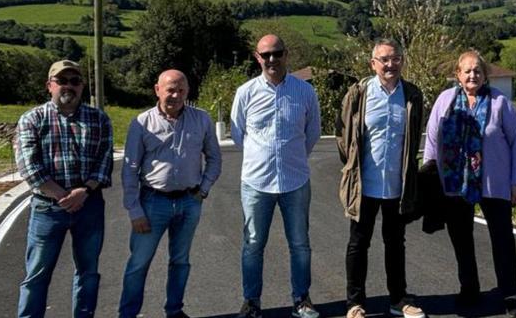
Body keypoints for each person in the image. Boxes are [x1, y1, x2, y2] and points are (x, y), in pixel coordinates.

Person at [424, 50, 516, 318]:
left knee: (502, 239)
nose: (473, 75)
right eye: (467, 71)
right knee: (461, 239)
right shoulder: (445, 101)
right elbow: (432, 142)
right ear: (458, 74)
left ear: (485, 74)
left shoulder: (500, 102)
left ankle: (509, 293)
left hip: (494, 183)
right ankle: (469, 288)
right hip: (455, 183)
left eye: (477, 70)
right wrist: (431, 179)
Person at [230, 34, 322, 318]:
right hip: (256, 183)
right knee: (253, 245)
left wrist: (290, 157)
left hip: (295, 181)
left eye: (277, 53)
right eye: (266, 54)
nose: (272, 59)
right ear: (257, 57)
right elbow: (238, 136)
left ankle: (302, 299)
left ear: (286, 54)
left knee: (300, 245)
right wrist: (265, 157)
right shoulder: (245, 93)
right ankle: (251, 302)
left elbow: (313, 133)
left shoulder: (305, 91)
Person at [119, 69, 222, 318]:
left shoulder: (202, 119)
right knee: (139, 264)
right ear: (157, 90)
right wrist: (134, 210)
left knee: (180, 261)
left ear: (187, 92)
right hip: (153, 203)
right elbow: (130, 169)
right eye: (170, 90)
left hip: (189, 202)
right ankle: (128, 314)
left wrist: (204, 190)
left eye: (181, 90)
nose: (175, 95)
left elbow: (214, 158)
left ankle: (174, 310)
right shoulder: (142, 123)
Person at [14, 60, 114, 317]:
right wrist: (61, 195)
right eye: (62, 81)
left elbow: (104, 161)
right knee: (37, 273)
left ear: (82, 86)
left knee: (88, 272)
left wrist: (84, 191)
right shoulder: (32, 119)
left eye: (75, 81)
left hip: (89, 205)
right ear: (50, 86)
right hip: (48, 207)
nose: (69, 86)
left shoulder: (99, 119)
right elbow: (28, 166)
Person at [335, 38, 426, 318]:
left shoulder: (412, 94)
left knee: (396, 244)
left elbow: (414, 138)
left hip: (397, 186)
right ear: (373, 64)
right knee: (358, 244)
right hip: (365, 185)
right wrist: (351, 167)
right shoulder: (359, 94)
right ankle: (355, 304)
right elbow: (343, 137)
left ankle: (398, 299)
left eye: (395, 58)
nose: (390, 64)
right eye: (384, 59)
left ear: (402, 61)